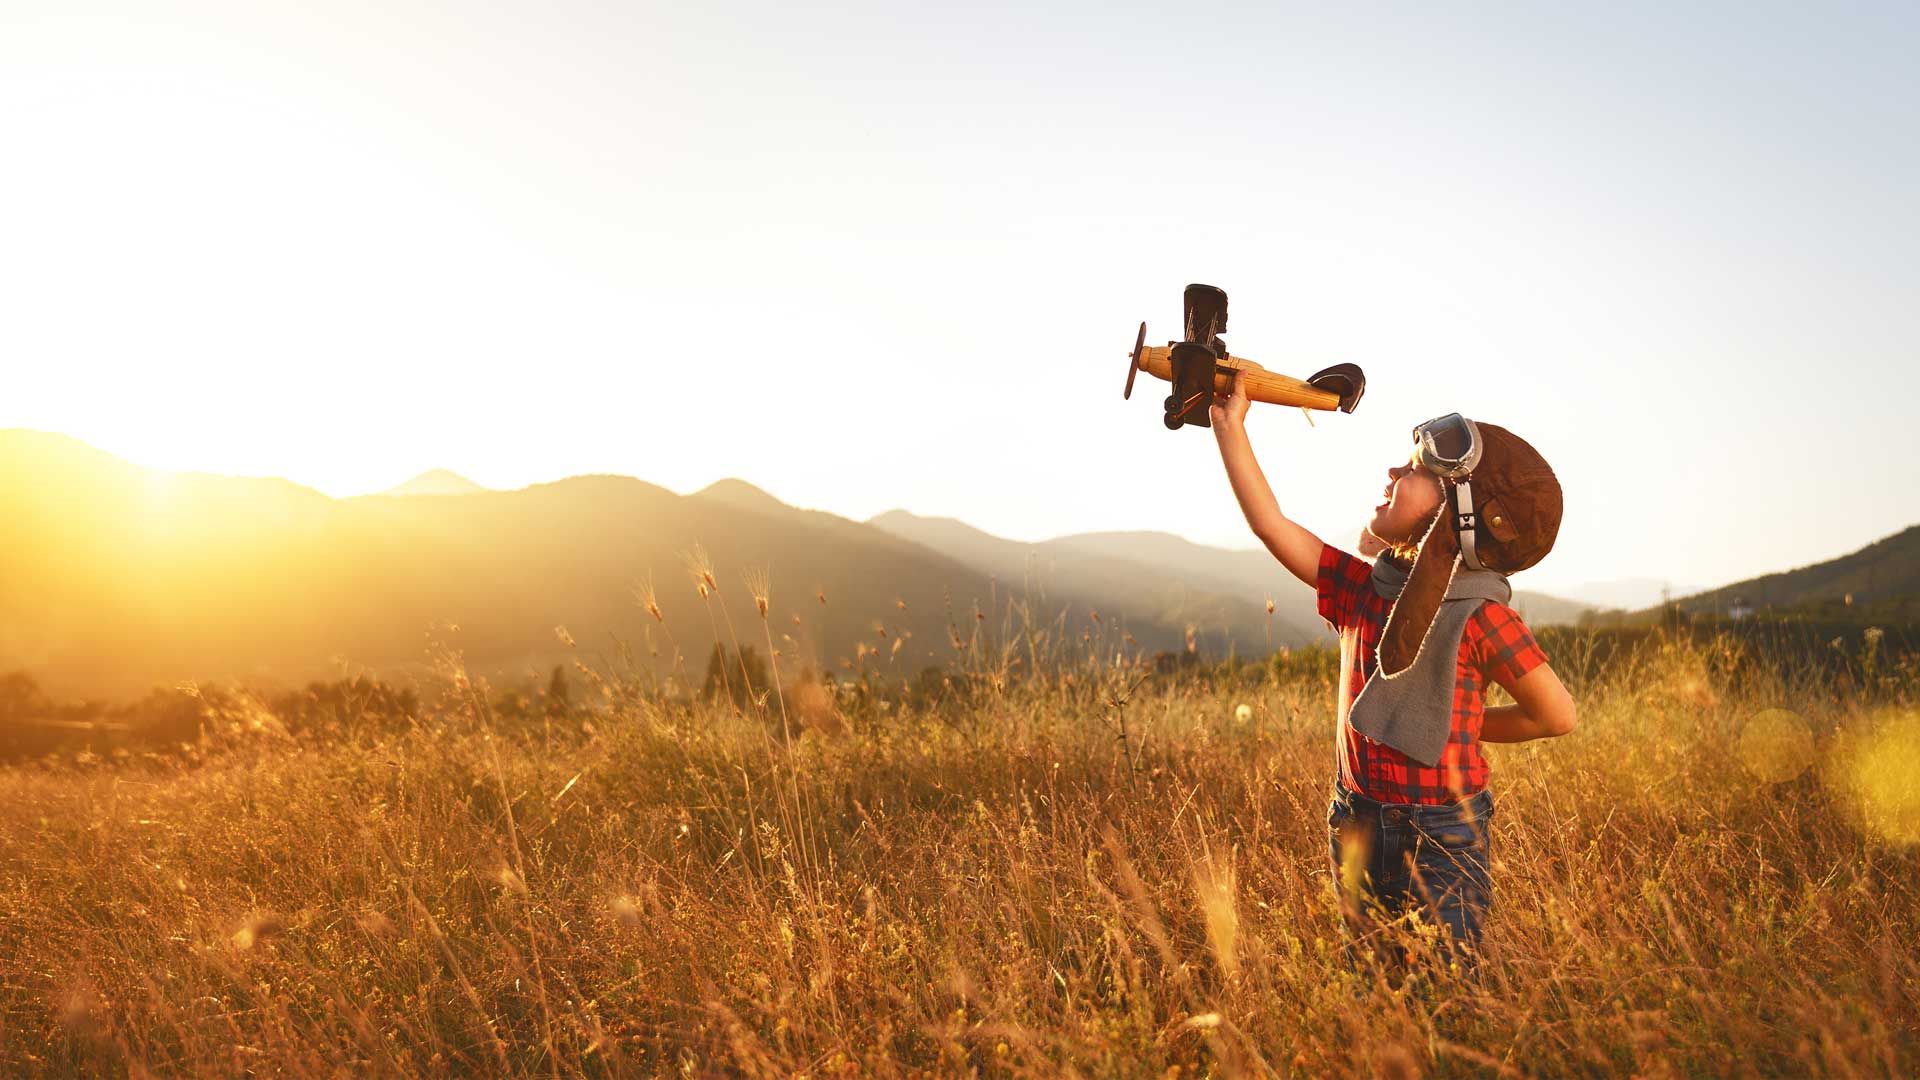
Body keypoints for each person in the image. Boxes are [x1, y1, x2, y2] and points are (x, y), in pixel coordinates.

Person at [1208, 371, 1577, 974]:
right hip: (1354, 817)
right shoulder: (1365, 589)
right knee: (1369, 979)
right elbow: (1272, 525)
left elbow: (1556, 714)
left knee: (1442, 987)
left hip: (1442, 836)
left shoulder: (1480, 617)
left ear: (1459, 513)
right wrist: (1230, 430)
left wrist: (1469, 726)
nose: (1392, 474)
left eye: (1413, 471)